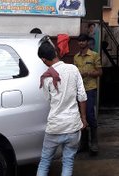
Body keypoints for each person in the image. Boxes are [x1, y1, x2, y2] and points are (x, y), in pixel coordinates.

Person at [36, 41, 87, 176]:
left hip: (55, 127)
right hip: (72, 126)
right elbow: (82, 96)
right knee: (68, 161)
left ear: (43, 59)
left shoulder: (46, 78)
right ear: (56, 53)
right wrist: (83, 119)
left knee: (45, 161)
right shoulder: (73, 69)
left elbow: (48, 99)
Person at [73, 34, 102, 155]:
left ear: (87, 42)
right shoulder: (76, 57)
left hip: (90, 88)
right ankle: (83, 143)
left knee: (89, 115)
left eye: (83, 41)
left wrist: (89, 73)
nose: (81, 43)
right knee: (80, 116)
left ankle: (94, 142)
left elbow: (100, 72)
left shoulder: (94, 55)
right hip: (79, 90)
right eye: (79, 41)